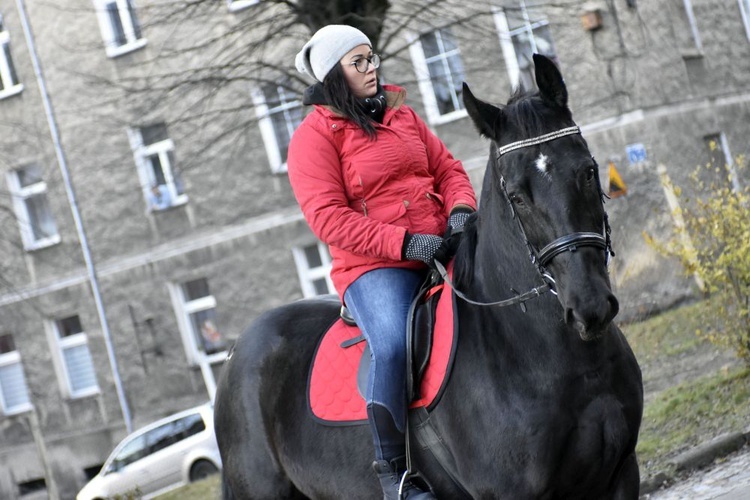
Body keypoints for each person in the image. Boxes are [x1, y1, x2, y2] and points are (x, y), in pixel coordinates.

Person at [288, 24, 477, 500]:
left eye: (372, 58)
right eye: (359, 62)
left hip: (439, 246)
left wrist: (459, 213)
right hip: (372, 268)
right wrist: (406, 244)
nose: (372, 68)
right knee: (392, 344)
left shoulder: (403, 115)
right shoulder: (313, 138)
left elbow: (449, 169)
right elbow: (329, 219)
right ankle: (395, 473)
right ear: (335, 74)